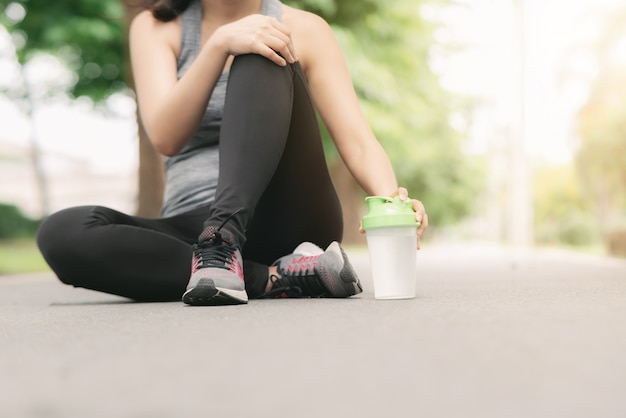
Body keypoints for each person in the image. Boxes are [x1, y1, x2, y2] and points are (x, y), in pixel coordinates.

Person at [36, 0, 428, 306]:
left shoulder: (305, 28)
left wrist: (393, 201)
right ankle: (273, 277)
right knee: (62, 233)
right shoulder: (157, 26)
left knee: (263, 46)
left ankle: (224, 246)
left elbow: (358, 140)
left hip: (287, 215)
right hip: (195, 227)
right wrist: (221, 43)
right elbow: (166, 137)